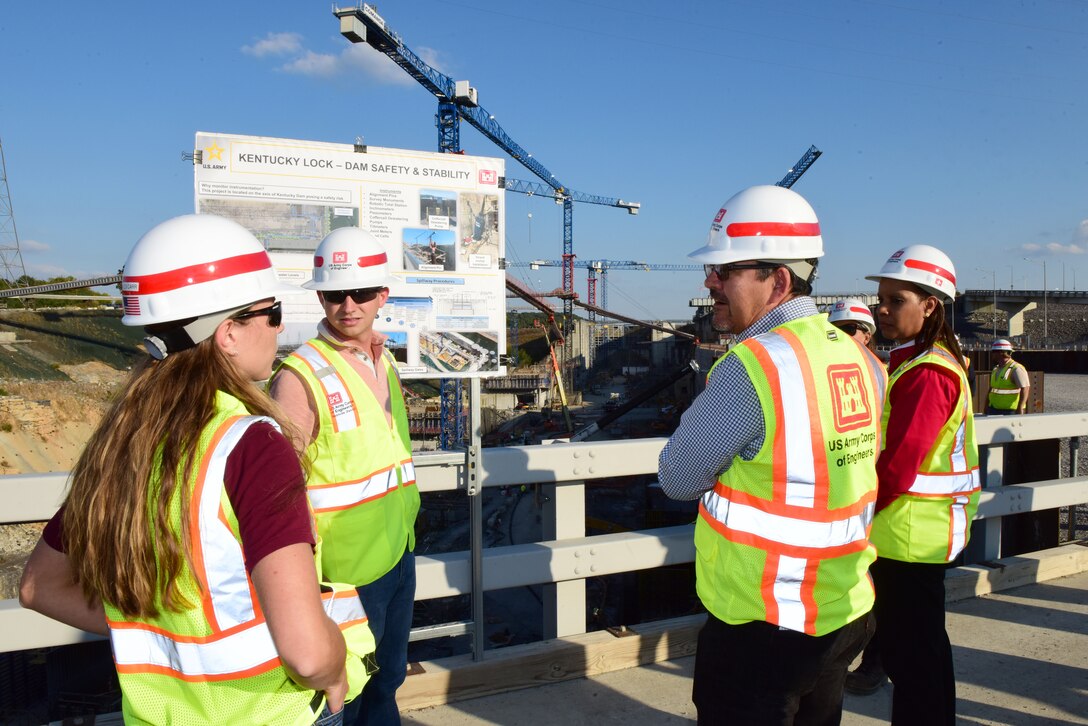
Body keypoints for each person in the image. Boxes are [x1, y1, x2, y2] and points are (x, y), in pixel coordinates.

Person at [19, 214, 373, 725]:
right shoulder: (251, 445)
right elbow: (308, 655)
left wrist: (162, 636)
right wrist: (335, 667)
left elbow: (39, 586)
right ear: (228, 333)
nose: (278, 328)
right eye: (271, 312)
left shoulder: (124, 442)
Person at [658, 185, 887, 724]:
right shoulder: (862, 359)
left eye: (725, 270)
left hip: (763, 624)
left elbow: (677, 476)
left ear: (778, 279)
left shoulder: (751, 368)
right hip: (843, 606)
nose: (709, 282)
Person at [270, 227, 419, 726]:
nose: (347, 304)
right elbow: (277, 488)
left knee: (387, 684)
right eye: (335, 294)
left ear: (382, 295)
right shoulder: (299, 375)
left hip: (397, 552)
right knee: (346, 699)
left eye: (360, 292)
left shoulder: (385, 361)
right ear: (320, 296)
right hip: (343, 574)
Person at [866, 244, 981, 725]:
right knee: (920, 653)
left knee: (915, 661)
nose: (882, 310)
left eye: (896, 300)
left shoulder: (928, 373)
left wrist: (855, 515)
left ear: (930, 305)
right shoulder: (920, 362)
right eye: (881, 299)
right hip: (915, 533)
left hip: (909, 536)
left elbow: (898, 466)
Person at [987, 339, 1030, 415]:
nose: (992, 354)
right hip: (993, 409)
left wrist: (1020, 408)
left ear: (1001, 353)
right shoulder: (996, 369)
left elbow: (1025, 388)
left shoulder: (1016, 369)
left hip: (1010, 411)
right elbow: (991, 389)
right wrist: (986, 405)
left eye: (994, 352)